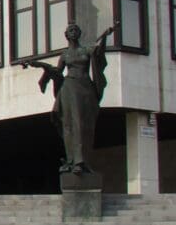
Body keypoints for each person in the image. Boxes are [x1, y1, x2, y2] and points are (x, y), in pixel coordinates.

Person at [22, 22, 115, 175]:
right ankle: (73, 160)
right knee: (70, 125)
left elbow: (99, 56)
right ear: (66, 35)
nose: (73, 32)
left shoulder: (86, 50)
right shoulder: (65, 55)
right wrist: (36, 64)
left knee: (83, 125)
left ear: (79, 34)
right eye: (70, 30)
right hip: (69, 88)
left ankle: (82, 160)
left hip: (85, 88)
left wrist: (105, 36)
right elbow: (57, 71)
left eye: (75, 30)